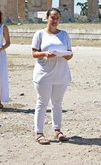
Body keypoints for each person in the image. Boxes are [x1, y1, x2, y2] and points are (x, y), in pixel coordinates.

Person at [31, 8, 73, 145]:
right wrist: (45, 54)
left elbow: (70, 54)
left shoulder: (65, 35)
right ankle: (39, 133)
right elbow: (34, 53)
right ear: (47, 18)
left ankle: (57, 130)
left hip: (61, 74)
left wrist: (66, 55)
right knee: (42, 103)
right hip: (44, 74)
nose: (55, 20)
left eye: (57, 18)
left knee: (57, 104)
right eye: (52, 17)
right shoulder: (40, 34)